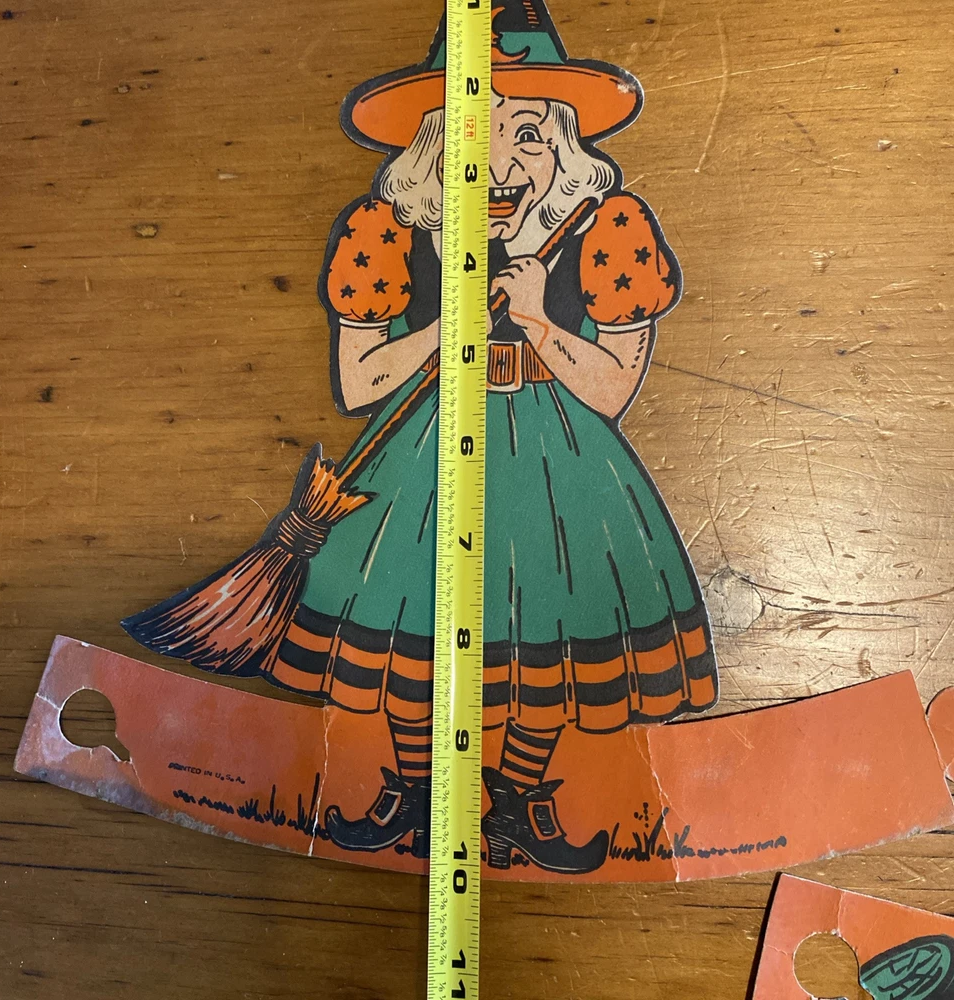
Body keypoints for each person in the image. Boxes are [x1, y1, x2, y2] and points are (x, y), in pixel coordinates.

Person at [127, 0, 719, 877]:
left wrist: (537, 319)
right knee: (409, 622)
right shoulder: (389, 232)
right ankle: (413, 792)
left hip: (561, 461)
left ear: (565, 148)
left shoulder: (610, 230)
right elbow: (360, 382)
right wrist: (448, 325)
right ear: (435, 148)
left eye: (530, 134)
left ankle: (519, 803)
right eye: (476, 132)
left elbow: (613, 390)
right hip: (423, 445)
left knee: (544, 628)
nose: (503, 162)